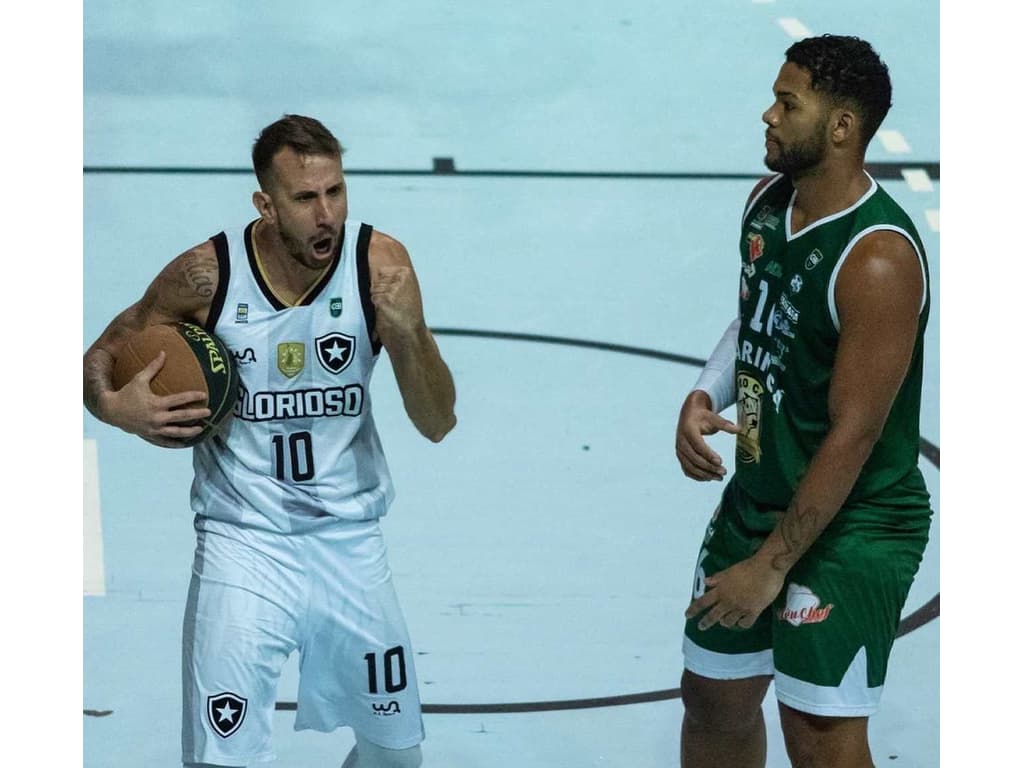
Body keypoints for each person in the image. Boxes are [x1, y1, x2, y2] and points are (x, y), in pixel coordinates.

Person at [83, 114, 456, 768]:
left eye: (336, 193)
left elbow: (437, 421)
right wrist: (118, 409)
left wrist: (409, 335)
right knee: (222, 759)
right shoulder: (204, 276)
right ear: (266, 204)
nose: (326, 215)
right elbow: (104, 354)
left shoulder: (382, 267)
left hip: (350, 540)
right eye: (305, 199)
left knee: (398, 758)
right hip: (242, 542)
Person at [673, 35, 932, 768]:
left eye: (788, 103)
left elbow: (853, 434)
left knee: (818, 738)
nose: (769, 114)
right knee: (713, 697)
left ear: (842, 127)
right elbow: (755, 315)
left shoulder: (879, 259)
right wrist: (705, 390)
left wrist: (772, 565)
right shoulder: (766, 204)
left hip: (856, 520)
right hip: (762, 493)